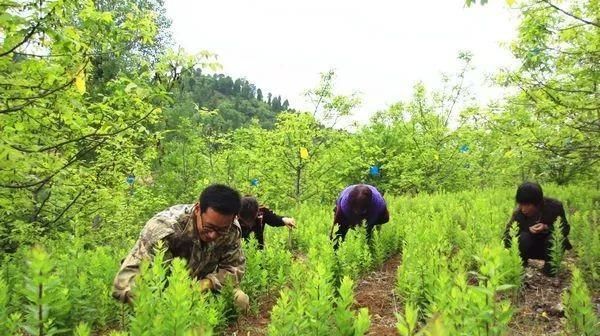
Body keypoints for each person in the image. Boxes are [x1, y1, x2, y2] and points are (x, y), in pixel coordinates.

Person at [112, 184, 249, 311]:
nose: (213, 235)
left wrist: (206, 283)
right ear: (197, 210)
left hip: (201, 290)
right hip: (164, 294)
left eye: (221, 230)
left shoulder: (231, 229)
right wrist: (160, 301)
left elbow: (234, 268)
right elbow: (124, 283)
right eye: (209, 227)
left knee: (240, 300)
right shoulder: (164, 228)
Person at [504, 182, 572, 276]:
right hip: (530, 248)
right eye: (521, 204)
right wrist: (527, 231)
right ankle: (520, 266)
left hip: (548, 249)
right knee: (523, 237)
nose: (523, 209)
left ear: (538, 203)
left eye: (527, 205)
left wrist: (546, 227)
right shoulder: (518, 213)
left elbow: (565, 228)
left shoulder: (555, 206)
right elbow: (507, 236)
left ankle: (550, 271)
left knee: (558, 237)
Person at [330, 184, 390, 249]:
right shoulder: (344, 203)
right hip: (348, 198)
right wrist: (333, 237)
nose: (356, 212)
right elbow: (337, 224)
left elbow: (385, 219)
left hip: (371, 207)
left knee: (367, 232)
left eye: (359, 211)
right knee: (340, 230)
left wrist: (365, 226)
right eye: (355, 210)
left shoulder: (378, 204)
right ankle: (336, 252)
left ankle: (367, 248)